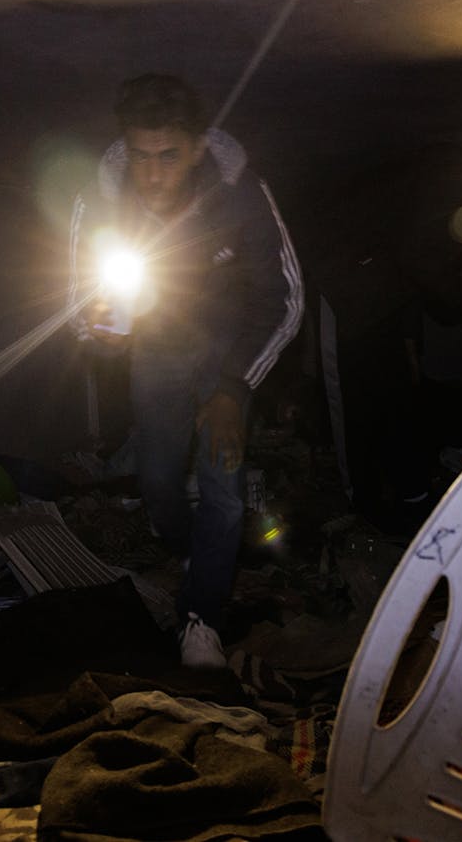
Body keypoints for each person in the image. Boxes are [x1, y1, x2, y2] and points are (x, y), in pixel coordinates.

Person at [66, 74, 303, 667]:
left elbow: (285, 299)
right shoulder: (100, 202)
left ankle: (202, 619)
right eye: (141, 156)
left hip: (229, 346)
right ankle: (190, 550)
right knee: (158, 481)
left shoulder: (240, 192)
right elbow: (77, 304)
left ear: (197, 148)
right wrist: (99, 330)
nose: (153, 175)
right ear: (126, 148)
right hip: (159, 349)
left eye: (169, 156)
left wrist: (232, 389)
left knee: (223, 486)